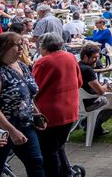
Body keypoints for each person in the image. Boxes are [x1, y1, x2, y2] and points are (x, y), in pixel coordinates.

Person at [0, 32, 45, 177]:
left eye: (21, 44)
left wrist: (36, 114)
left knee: (36, 162)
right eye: (16, 45)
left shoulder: (22, 66)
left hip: (26, 125)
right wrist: (11, 131)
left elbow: (28, 95)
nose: (21, 49)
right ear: (4, 47)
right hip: (2, 130)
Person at [33, 32, 82, 177]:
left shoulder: (43, 62)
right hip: (70, 110)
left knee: (48, 152)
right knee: (57, 146)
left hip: (50, 115)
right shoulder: (71, 57)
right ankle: (67, 172)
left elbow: (32, 89)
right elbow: (79, 82)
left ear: (43, 46)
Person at [79, 43, 112, 137]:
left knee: (109, 98)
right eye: (94, 57)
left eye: (98, 57)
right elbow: (101, 92)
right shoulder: (88, 69)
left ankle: (90, 123)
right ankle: (93, 126)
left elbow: (87, 86)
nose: (96, 60)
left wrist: (101, 86)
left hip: (79, 103)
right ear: (85, 56)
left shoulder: (77, 66)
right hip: (90, 103)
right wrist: (106, 86)